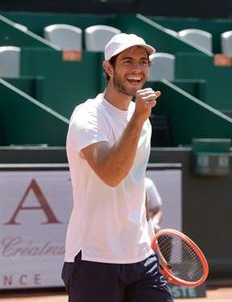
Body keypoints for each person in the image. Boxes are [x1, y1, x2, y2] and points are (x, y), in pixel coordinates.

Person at [62, 33, 173, 302]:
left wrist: (149, 238)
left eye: (143, 62)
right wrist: (137, 119)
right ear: (109, 68)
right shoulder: (88, 116)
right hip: (93, 257)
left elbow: (132, 184)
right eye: (127, 61)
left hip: (140, 256)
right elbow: (111, 174)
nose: (137, 69)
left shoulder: (142, 120)